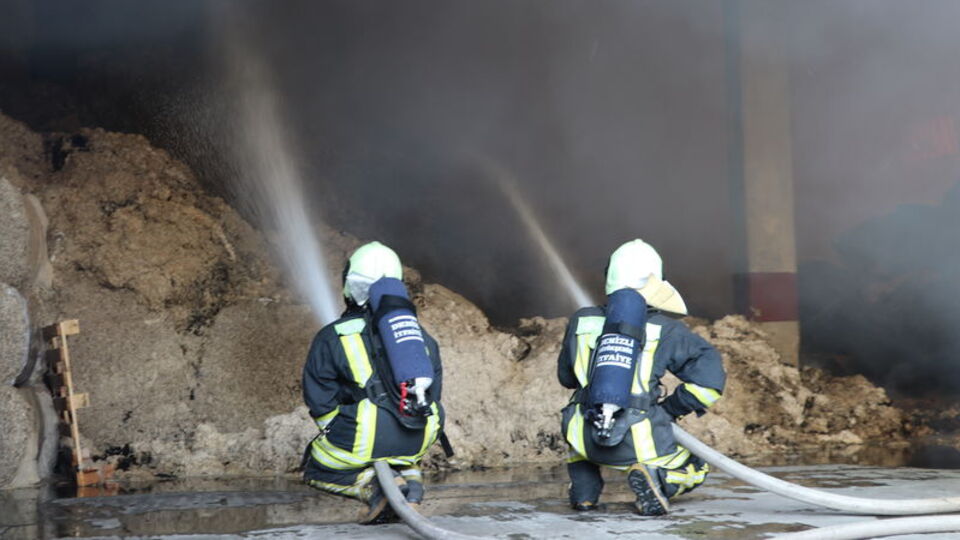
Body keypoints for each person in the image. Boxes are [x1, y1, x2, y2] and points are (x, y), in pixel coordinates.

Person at [557, 239, 726, 515]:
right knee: (696, 467)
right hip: (636, 441)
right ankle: (658, 479)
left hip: (581, 434)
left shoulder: (581, 321)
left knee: (579, 436)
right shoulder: (667, 330)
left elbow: (565, 377)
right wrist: (670, 409)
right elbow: (710, 384)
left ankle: (584, 493)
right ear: (657, 282)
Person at [302, 241, 445, 524]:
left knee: (316, 466)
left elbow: (319, 400)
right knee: (400, 452)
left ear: (350, 285)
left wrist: (340, 427)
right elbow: (434, 393)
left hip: (365, 435)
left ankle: (374, 486)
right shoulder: (419, 338)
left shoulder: (334, 335)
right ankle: (411, 488)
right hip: (420, 435)